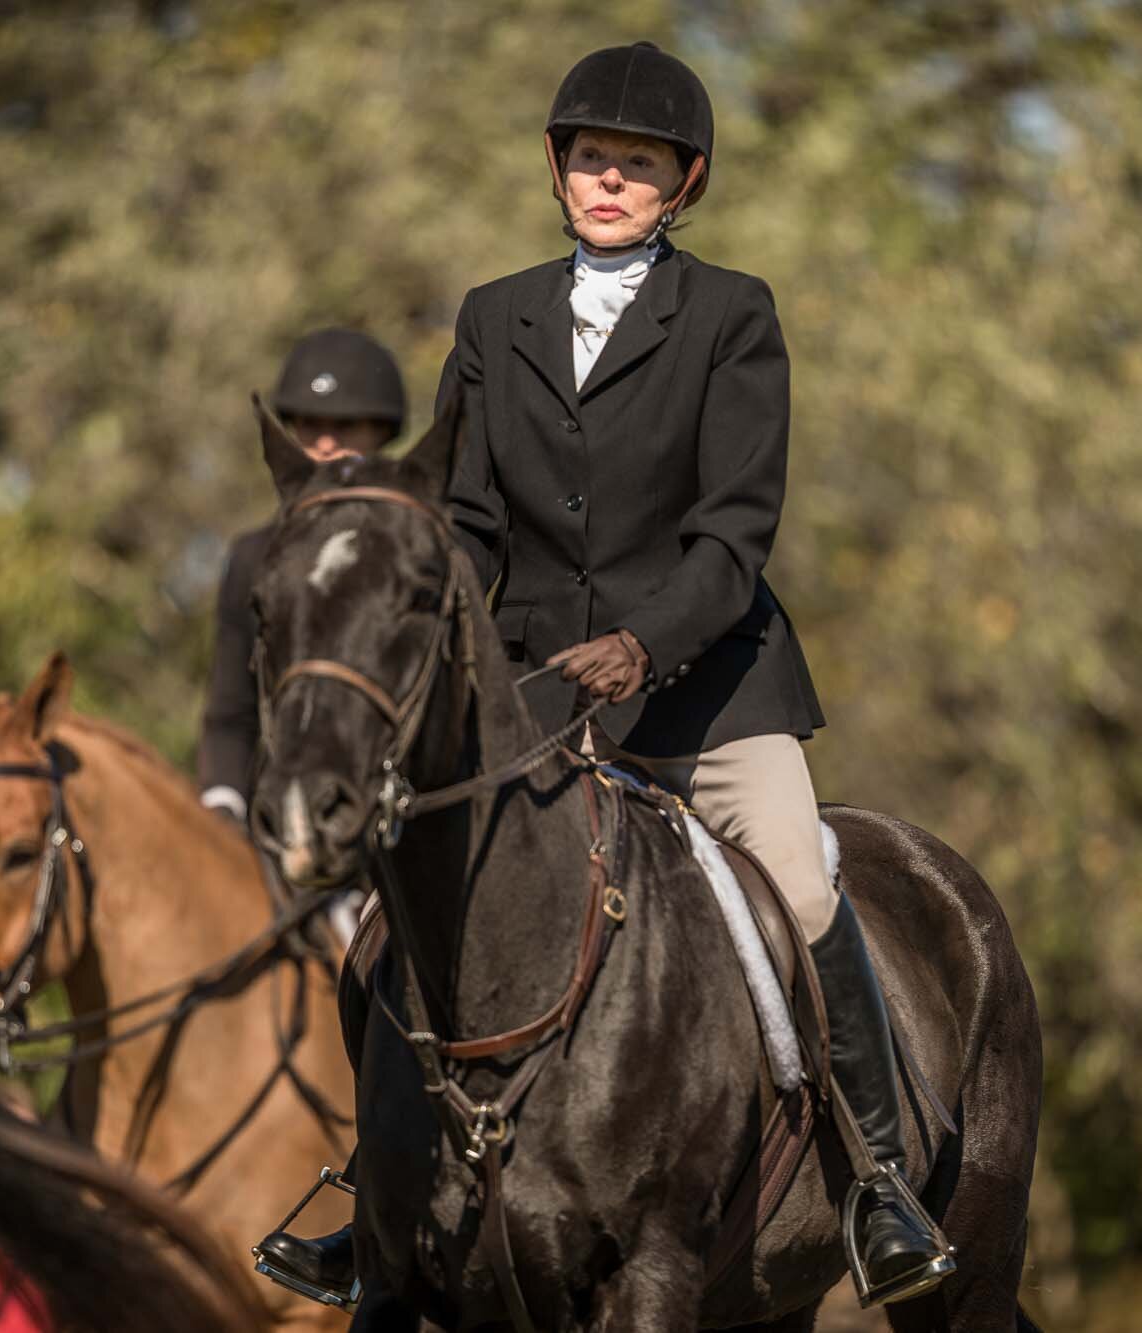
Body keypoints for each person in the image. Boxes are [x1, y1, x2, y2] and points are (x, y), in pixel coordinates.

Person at [258, 42, 953, 1306]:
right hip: (530, 701)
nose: (610, 181)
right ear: (557, 168)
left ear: (681, 184)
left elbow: (734, 532)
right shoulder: (493, 314)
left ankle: (876, 1180)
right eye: (592, 159)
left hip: (705, 690)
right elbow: (466, 524)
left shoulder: (732, 315)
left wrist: (644, 640)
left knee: (798, 882)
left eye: (637, 165)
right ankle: (378, 1195)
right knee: (381, 929)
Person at [198, 328, 407, 832]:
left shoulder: (417, 550)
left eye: (347, 426)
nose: (327, 444)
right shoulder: (253, 558)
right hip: (284, 815)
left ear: (382, 433)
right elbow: (231, 711)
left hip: (403, 813)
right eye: (310, 427)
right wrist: (222, 807)